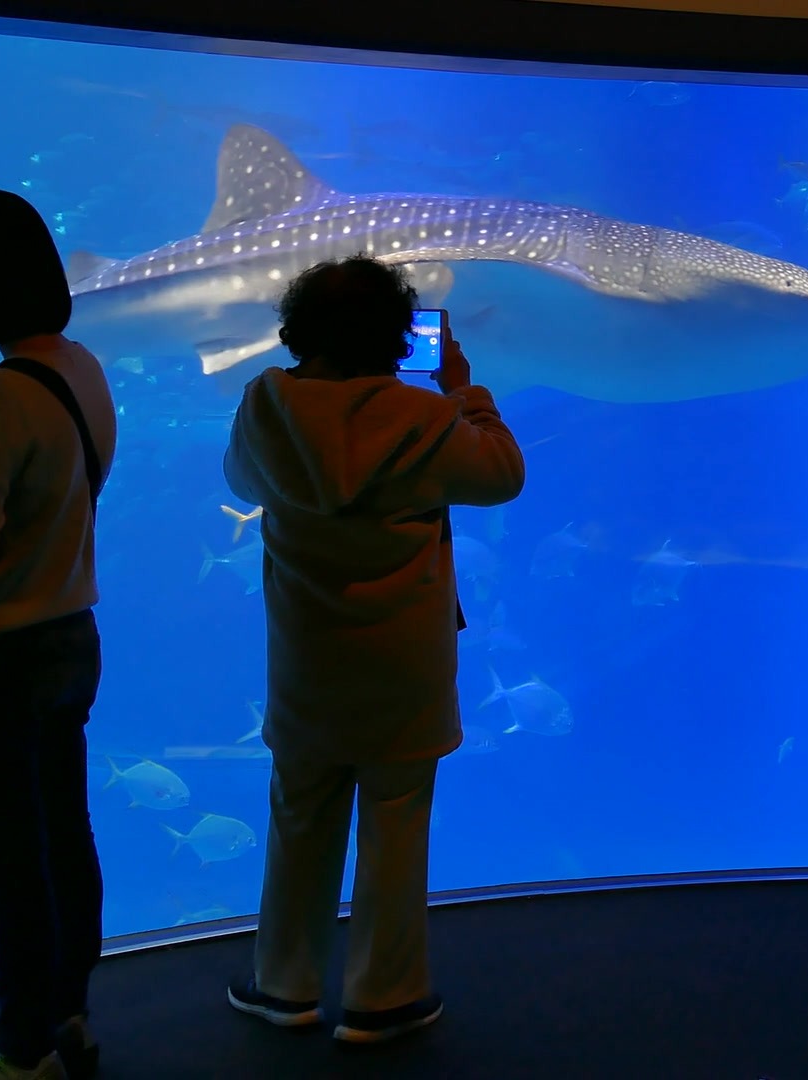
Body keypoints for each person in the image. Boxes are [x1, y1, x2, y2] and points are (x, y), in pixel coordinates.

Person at [221, 256, 525, 1045]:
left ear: (298, 329)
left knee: (299, 816)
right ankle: (385, 996)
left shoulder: (265, 404)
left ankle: (283, 985)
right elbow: (501, 475)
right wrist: (464, 389)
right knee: (395, 821)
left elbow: (242, 480)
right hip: (402, 667)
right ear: (399, 337)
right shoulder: (423, 419)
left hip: (307, 663)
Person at [0, 190, 117, 1080]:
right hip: (71, 633)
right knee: (65, 837)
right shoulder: (84, 367)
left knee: (11, 859)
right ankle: (68, 1014)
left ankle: (22, 1044)